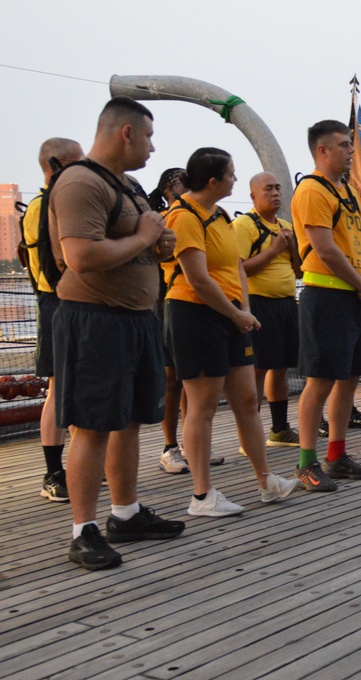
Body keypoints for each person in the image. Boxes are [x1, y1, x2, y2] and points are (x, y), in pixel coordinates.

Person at [48, 96, 184, 570]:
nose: (152, 146)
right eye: (147, 135)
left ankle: (125, 514)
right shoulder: (81, 182)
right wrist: (147, 238)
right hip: (95, 319)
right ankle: (82, 530)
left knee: (128, 418)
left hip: (136, 318)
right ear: (125, 133)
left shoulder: (130, 187)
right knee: (92, 424)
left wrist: (160, 244)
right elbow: (81, 256)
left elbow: (145, 241)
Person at [164, 148, 299, 517]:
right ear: (213, 181)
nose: (236, 180)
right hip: (195, 313)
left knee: (246, 402)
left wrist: (244, 310)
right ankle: (202, 495)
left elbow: (235, 267)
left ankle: (266, 480)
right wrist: (234, 313)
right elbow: (197, 278)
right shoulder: (183, 215)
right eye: (232, 175)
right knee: (202, 406)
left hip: (230, 315)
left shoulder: (220, 214)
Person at [292, 120, 361, 491]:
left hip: (353, 294)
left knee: (349, 377)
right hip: (326, 295)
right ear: (322, 151)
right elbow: (324, 248)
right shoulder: (313, 190)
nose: (352, 152)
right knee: (320, 380)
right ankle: (306, 462)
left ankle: (337, 455)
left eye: (351, 144)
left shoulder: (346, 190)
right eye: (345, 145)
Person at [23, 137, 83, 502]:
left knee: (76, 387)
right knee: (57, 389)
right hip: (56, 302)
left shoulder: (54, 202)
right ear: (57, 164)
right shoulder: (42, 206)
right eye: (78, 162)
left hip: (72, 303)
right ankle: (53, 472)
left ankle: (78, 465)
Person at [233, 172, 302, 447]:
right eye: (268, 189)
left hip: (286, 303)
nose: (275, 193)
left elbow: (299, 270)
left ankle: (280, 428)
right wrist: (274, 250)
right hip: (259, 303)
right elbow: (237, 268)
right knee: (258, 370)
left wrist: (293, 247)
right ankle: (249, 436)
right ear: (253, 196)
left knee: (281, 367)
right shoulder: (244, 225)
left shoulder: (285, 225)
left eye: (277, 188)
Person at [148, 168, 203, 474]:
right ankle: (169, 447)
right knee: (171, 381)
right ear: (169, 187)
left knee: (190, 379)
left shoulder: (199, 215)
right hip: (164, 303)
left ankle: (190, 444)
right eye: (184, 181)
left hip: (189, 306)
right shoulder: (162, 218)